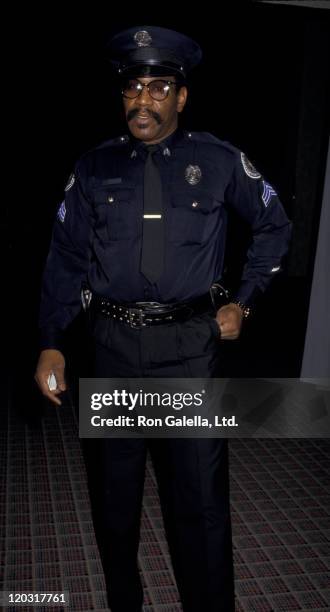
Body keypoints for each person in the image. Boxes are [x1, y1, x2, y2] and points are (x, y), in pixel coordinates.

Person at [35, 25, 291, 612]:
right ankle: (126, 600)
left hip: (188, 348)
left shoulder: (220, 160)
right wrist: (51, 340)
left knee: (198, 499)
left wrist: (243, 301)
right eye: (133, 87)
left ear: (181, 97)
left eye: (158, 87)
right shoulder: (94, 167)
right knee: (114, 495)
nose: (142, 100)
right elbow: (66, 258)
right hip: (112, 348)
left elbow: (275, 227)